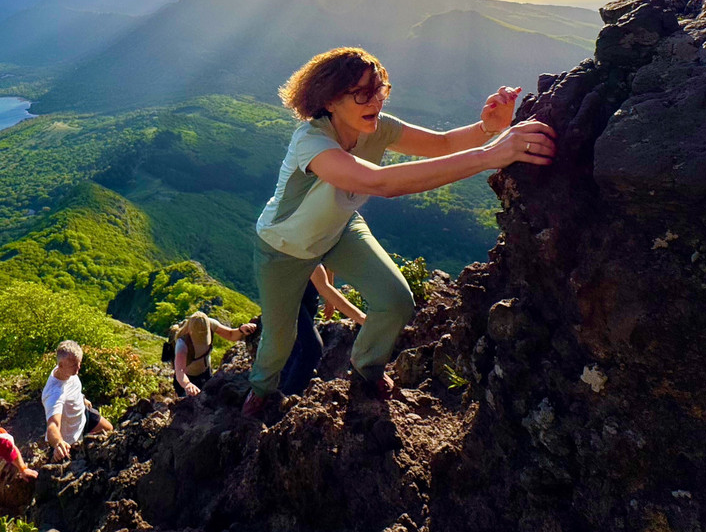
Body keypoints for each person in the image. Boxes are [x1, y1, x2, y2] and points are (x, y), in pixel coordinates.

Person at [244, 47, 556, 415]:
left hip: (340, 229)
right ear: (329, 99)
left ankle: (366, 369)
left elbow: (440, 145)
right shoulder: (311, 142)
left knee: (395, 300)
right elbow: (379, 182)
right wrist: (490, 155)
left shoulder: (378, 127)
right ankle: (260, 389)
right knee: (280, 340)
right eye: (362, 93)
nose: (375, 99)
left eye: (379, 89)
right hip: (284, 248)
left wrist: (489, 127)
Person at [280, 263, 366, 396]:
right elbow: (318, 270)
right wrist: (361, 318)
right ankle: (287, 397)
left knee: (298, 345)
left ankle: (281, 389)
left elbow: (328, 261)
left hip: (309, 293)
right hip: (291, 294)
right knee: (312, 347)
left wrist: (329, 296)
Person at [42, 340, 113, 462]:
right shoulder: (54, 394)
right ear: (61, 365)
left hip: (83, 414)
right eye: (74, 365)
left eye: (78, 363)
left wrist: (82, 398)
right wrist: (59, 443)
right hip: (70, 434)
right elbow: (53, 425)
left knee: (108, 429)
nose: (78, 368)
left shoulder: (66, 371)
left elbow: (71, 386)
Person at [173, 311, 258, 397]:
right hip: (188, 377)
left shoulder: (211, 324)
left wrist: (241, 330)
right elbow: (180, 371)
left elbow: (230, 334)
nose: (202, 337)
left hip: (205, 373)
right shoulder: (182, 344)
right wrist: (187, 384)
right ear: (190, 331)